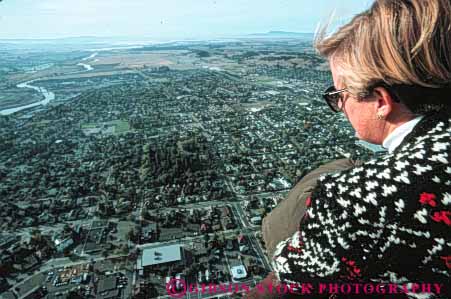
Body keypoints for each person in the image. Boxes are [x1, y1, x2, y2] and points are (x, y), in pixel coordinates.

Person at [248, 0, 451, 298]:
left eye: (338, 94)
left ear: (381, 101)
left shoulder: (355, 199)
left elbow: (292, 277)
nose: (339, 106)